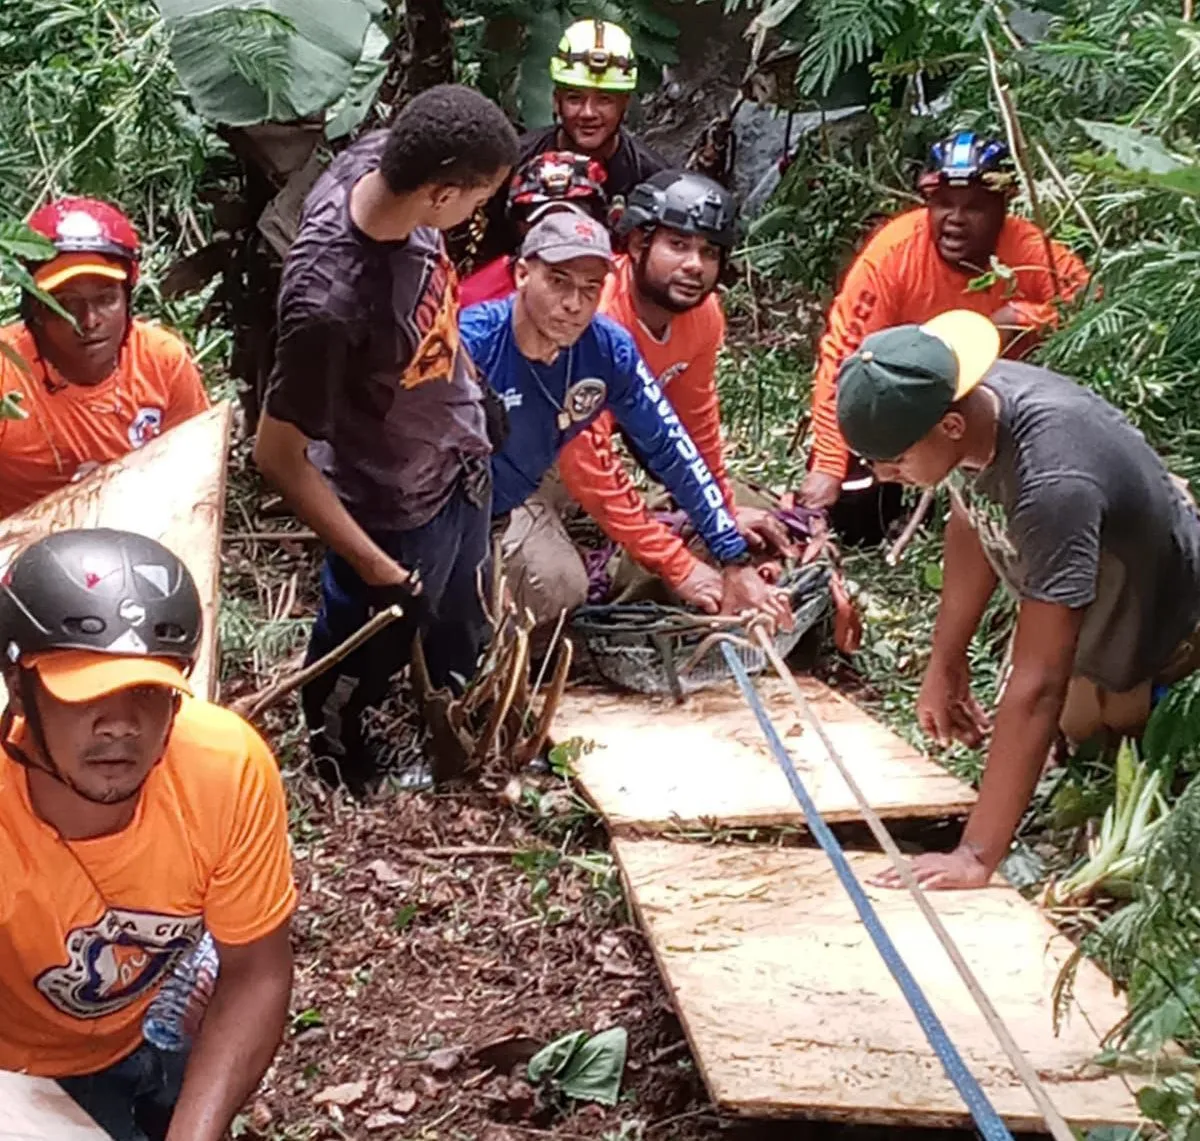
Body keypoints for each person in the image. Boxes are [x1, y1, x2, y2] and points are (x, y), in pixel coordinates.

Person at [835, 310, 1200, 890]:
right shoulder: (966, 403)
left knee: (1116, 760)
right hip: (1091, 612)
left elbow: (1039, 683)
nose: (884, 476)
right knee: (1081, 736)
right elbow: (970, 514)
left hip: (1163, 636)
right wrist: (945, 660)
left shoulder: (1053, 482)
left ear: (951, 426)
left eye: (897, 461)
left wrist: (976, 855)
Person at [254, 84, 519, 791]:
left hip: (456, 458)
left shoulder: (381, 160)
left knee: (462, 606)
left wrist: (477, 397)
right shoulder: (331, 304)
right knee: (365, 651)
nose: (477, 214)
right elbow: (275, 454)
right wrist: (373, 563)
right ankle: (341, 756)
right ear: (439, 194)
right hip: (391, 505)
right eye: (476, 198)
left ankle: (456, 714)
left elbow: (431, 302)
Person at [0, 528, 296, 1141]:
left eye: (147, 691)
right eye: (86, 694)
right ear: (20, 688)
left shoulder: (224, 767)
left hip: (156, 1019)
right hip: (21, 1069)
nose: (119, 725)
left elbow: (255, 972)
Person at [461, 211, 793, 635]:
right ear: (523, 274)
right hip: (456, 504)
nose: (573, 304)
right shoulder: (473, 344)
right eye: (558, 282)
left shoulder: (607, 348)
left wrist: (732, 555)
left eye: (590, 288)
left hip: (531, 474)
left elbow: (671, 445)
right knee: (546, 590)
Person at [800, 131, 1090, 513]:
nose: (955, 220)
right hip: (906, 404)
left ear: (1002, 208)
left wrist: (1022, 319)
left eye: (974, 207)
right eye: (943, 205)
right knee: (855, 512)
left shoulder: (1030, 251)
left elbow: (1091, 313)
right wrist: (829, 464)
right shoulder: (894, 253)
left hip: (998, 411)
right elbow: (845, 355)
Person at [558, 169, 794, 601]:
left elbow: (695, 424)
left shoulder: (703, 316)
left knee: (752, 519)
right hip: (526, 453)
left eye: (709, 253)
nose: (694, 266)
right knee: (555, 587)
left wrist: (720, 515)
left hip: (596, 445)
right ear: (636, 244)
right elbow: (585, 462)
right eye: (678, 245)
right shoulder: (594, 315)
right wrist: (676, 564)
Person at [0, 197, 210, 519]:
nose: (89, 321)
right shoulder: (6, 369)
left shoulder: (162, 361)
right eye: (67, 304)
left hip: (134, 534)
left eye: (106, 299)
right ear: (36, 311)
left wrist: (120, 487)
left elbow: (195, 473)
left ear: (127, 300)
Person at [471, 19, 666, 265]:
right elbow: (486, 256)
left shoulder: (652, 179)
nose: (588, 113)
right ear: (556, 101)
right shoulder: (513, 164)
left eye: (604, 100)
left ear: (624, 104)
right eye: (575, 98)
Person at [460, 150, 609, 308]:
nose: (560, 234)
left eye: (570, 221)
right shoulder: (475, 297)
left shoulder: (624, 284)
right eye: (544, 223)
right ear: (521, 226)